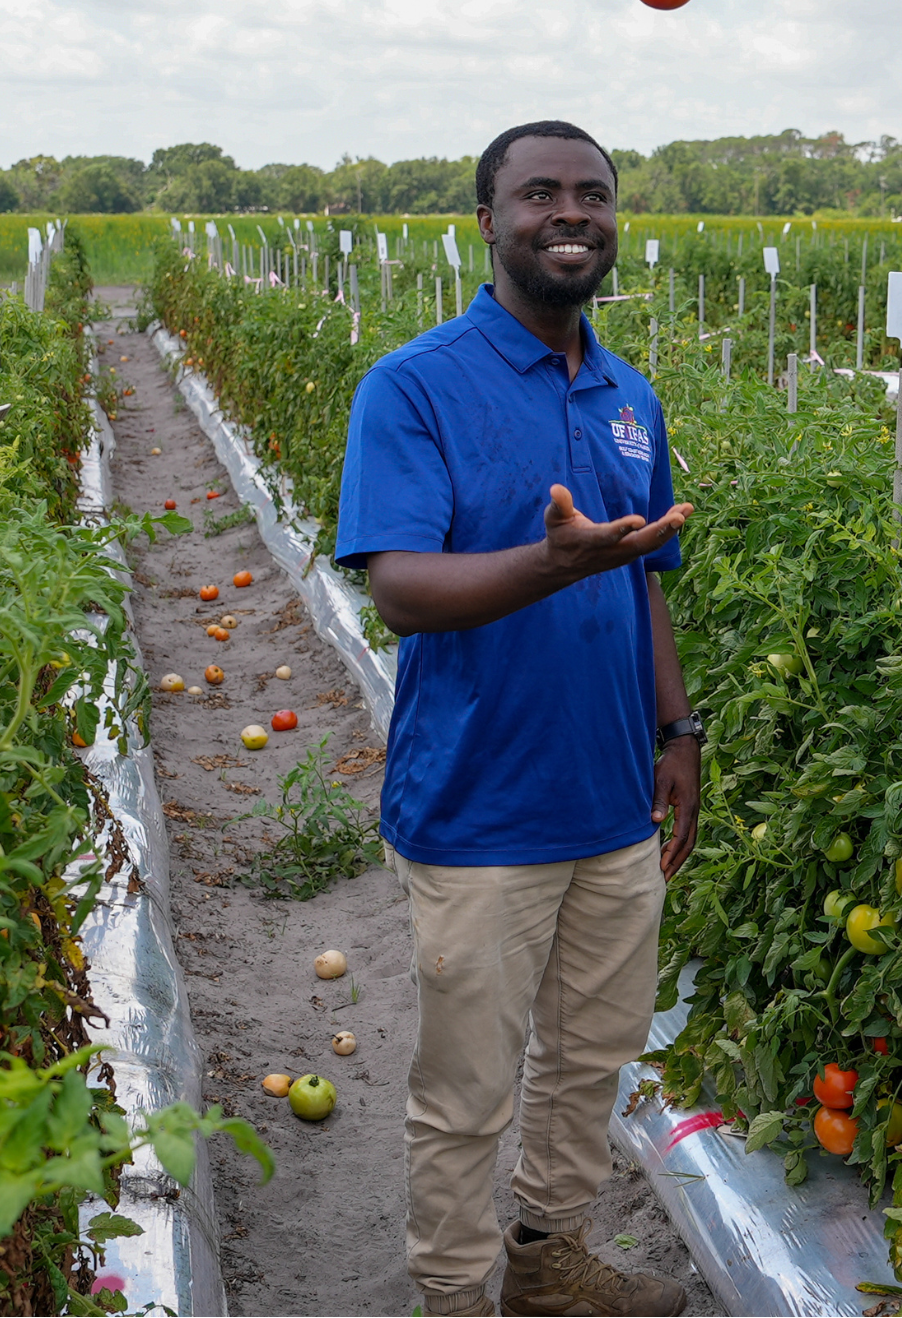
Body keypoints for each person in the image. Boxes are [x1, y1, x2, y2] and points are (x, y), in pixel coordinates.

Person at [328, 120, 700, 1318]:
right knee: (467, 1083)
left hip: (607, 796)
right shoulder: (415, 384)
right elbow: (397, 587)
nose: (569, 214)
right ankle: (450, 1293)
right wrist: (543, 566)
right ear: (482, 220)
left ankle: (545, 1261)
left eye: (590, 195)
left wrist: (678, 730)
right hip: (479, 805)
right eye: (537, 193)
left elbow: (639, 572)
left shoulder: (622, 390)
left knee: (591, 1058)